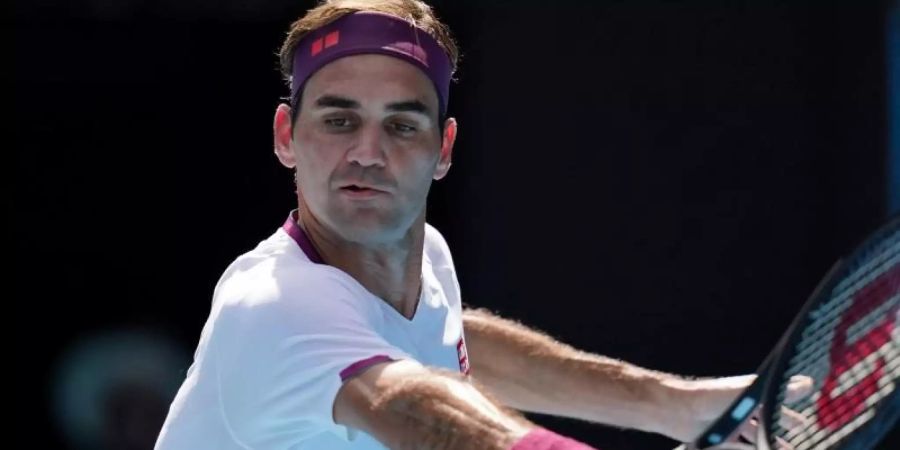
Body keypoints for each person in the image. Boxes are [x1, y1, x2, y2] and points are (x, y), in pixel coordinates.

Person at [155, 1, 809, 449]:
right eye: (338, 119)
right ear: (284, 137)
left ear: (443, 149)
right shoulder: (274, 306)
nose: (368, 152)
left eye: (402, 125)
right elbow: (417, 409)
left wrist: (677, 406)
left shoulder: (422, 261)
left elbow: (444, 340)